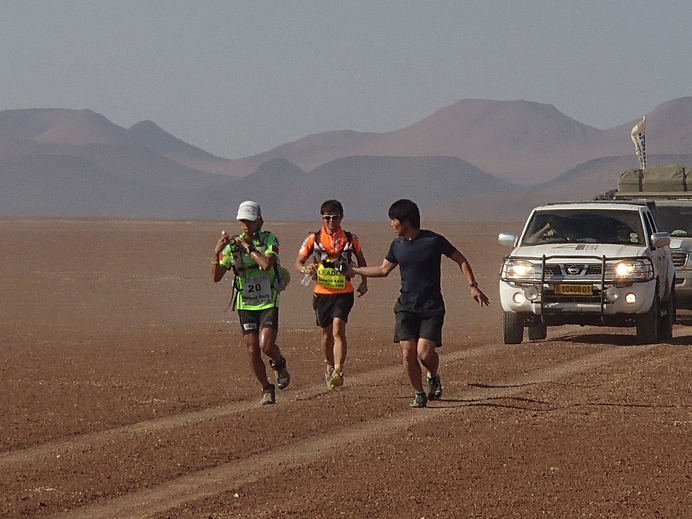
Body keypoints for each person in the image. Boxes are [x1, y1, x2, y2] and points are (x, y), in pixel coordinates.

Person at [346, 199, 490, 408]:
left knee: (424, 354)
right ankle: (419, 392)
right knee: (407, 353)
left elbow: (460, 259)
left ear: (406, 221)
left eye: (393, 220)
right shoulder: (397, 245)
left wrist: (472, 285)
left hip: (431, 307)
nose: (391, 224)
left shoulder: (433, 241)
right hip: (406, 306)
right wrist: (355, 270)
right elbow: (383, 270)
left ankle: (432, 375)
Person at [211, 201, 290, 406]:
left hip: (267, 300)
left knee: (266, 345)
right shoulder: (232, 247)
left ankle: (279, 363)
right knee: (252, 349)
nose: (246, 225)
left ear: (259, 221)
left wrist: (248, 248)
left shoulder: (269, 239)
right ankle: (266, 388)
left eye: (250, 220)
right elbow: (216, 276)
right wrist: (216, 253)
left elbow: (265, 264)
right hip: (245, 303)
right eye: (243, 221)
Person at [294, 200, 368, 390]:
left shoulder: (351, 239)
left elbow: (361, 260)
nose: (331, 221)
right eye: (327, 217)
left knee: (338, 330)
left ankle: (338, 370)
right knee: (326, 336)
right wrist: (305, 269)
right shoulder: (314, 239)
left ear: (341, 217)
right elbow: (298, 262)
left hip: (343, 292)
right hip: (322, 293)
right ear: (322, 218)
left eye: (335, 217)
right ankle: (328, 366)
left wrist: (363, 281)